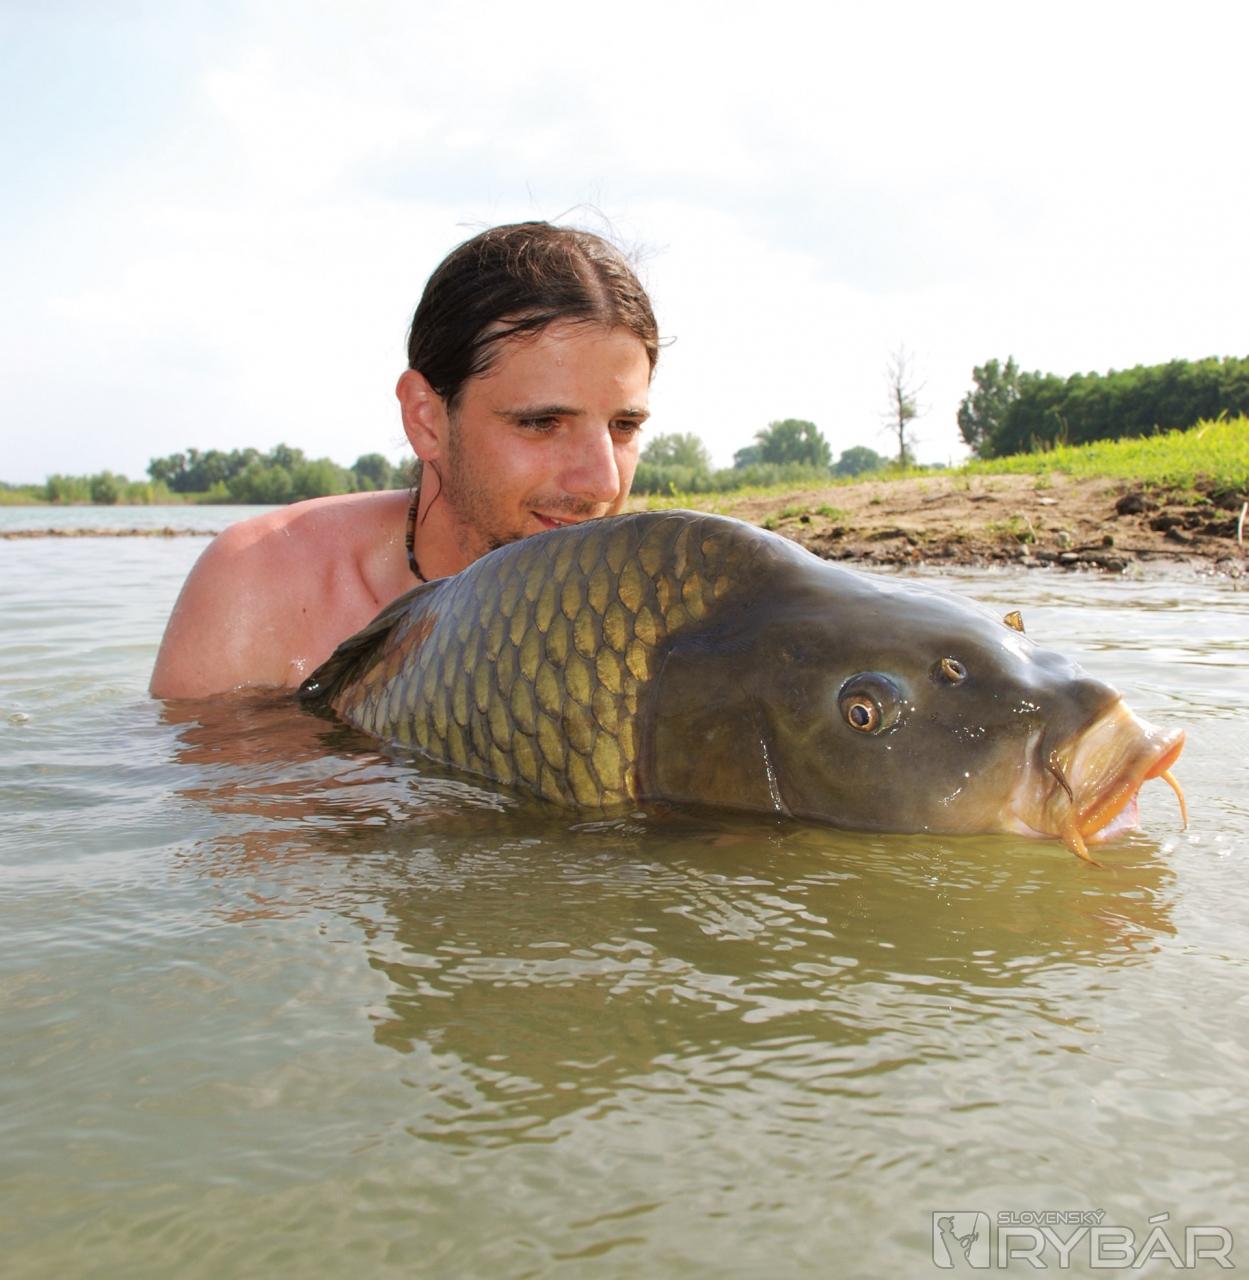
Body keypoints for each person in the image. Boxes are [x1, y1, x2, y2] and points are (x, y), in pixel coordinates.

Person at [149, 222, 659, 699]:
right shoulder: (262, 588)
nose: (602, 483)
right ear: (426, 419)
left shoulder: (664, 620)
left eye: (624, 426)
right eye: (542, 422)